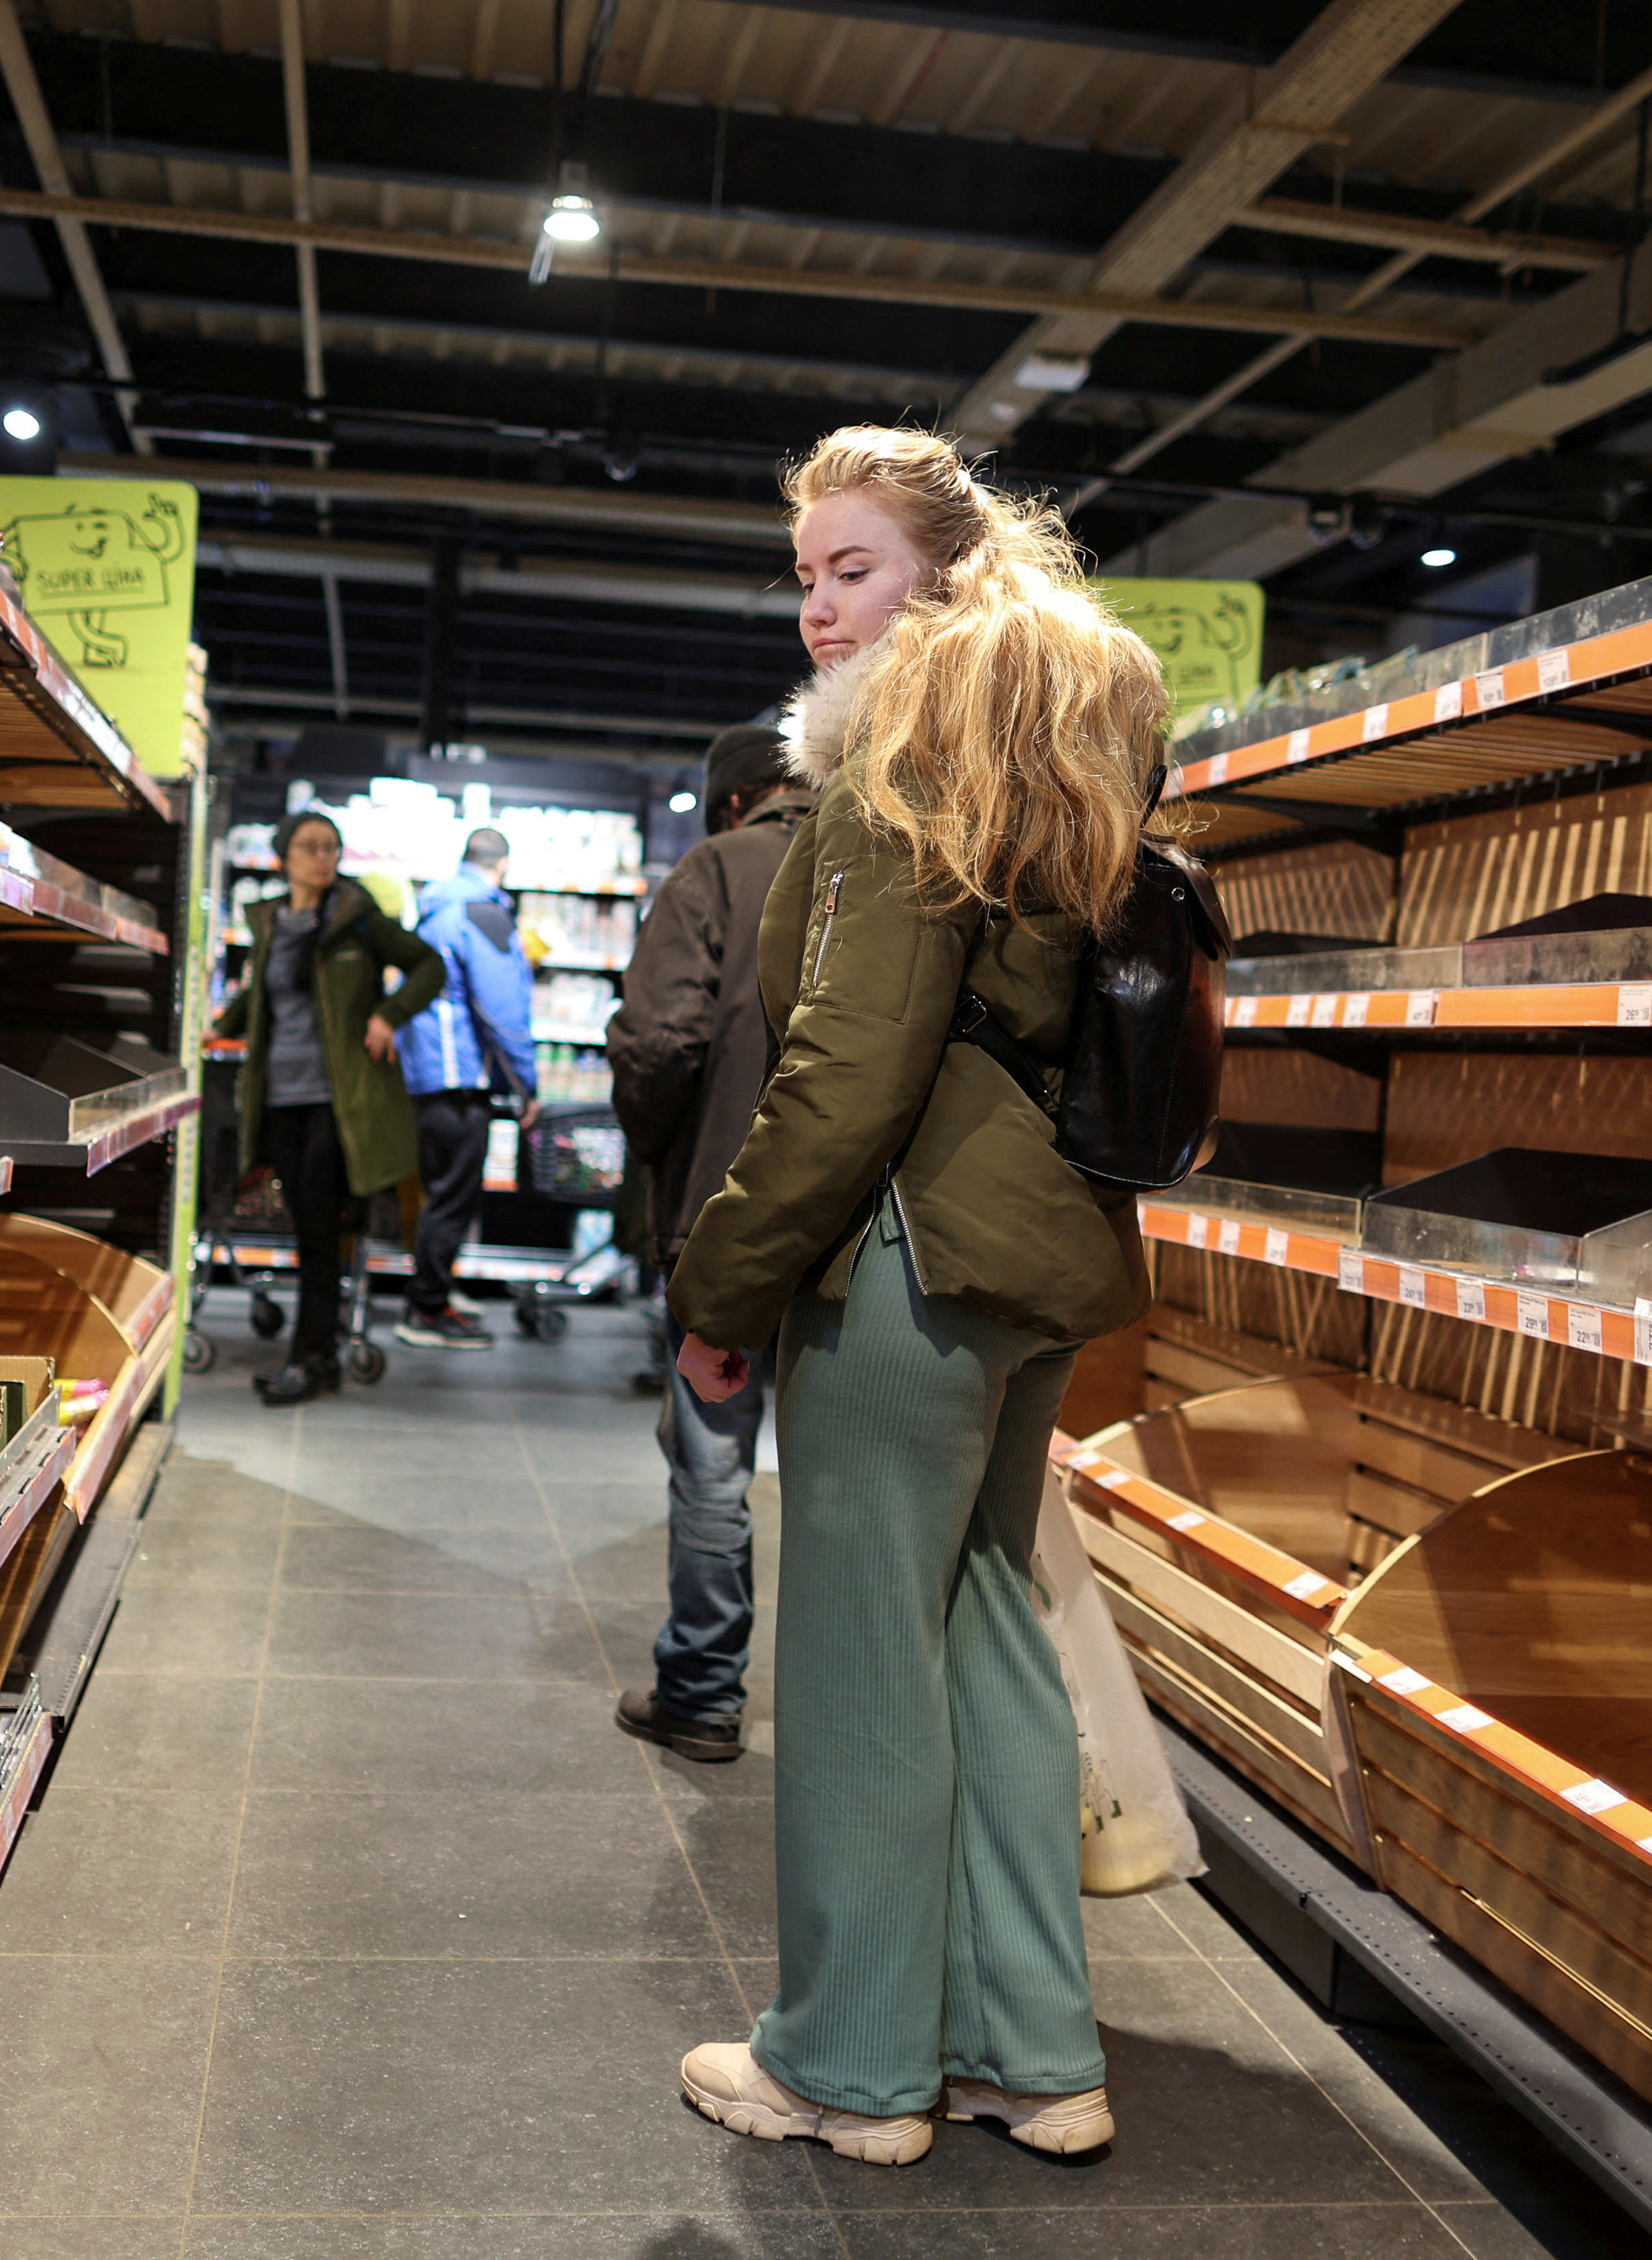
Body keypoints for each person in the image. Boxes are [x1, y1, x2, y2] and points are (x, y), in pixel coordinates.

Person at [666, 428, 1161, 2167]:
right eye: (803, 571)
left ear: (941, 575)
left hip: (901, 1256)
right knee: (987, 1644)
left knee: (870, 1665)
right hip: (1031, 1261)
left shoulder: (902, 766)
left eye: (850, 568)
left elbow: (850, 1069)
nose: (816, 605)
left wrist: (723, 1280)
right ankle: (1033, 2054)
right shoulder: (1047, 759)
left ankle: (851, 2071)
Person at [604, 724, 813, 1764]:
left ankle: (701, 1692)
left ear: (731, 799)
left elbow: (658, 1041)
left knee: (713, 1457)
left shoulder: (717, 869)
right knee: (839, 1473)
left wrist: (663, 1151)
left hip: (724, 1216)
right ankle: (845, 1713)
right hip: (862, 1227)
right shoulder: (884, 864)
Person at [212, 810, 445, 1406]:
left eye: (332, 847)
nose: (324, 857)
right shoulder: (270, 921)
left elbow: (430, 965)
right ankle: (322, 1354)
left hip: (338, 1104)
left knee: (318, 1229)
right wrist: (219, 1030)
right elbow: (262, 996)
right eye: (311, 847)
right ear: (284, 856)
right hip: (279, 1096)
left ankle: (309, 1359)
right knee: (307, 1226)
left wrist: (387, 1015)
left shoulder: (358, 919)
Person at [394, 827, 540, 1351]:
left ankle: (434, 1292)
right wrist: (527, 1082)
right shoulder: (483, 912)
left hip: (429, 1071)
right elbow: (502, 1010)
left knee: (441, 1193)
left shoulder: (435, 907)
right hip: (459, 1075)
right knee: (453, 1196)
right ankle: (428, 1309)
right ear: (502, 865)